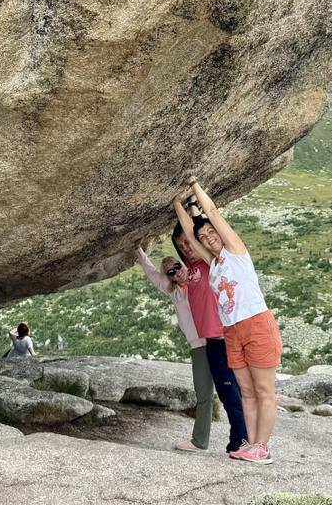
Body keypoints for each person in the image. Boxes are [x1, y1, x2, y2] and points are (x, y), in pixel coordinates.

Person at [180, 176, 283, 465]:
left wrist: (194, 186)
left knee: (264, 391)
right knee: (247, 393)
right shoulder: (213, 265)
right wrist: (177, 204)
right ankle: (250, 445)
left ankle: (262, 447)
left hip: (256, 324)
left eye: (212, 233)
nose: (209, 238)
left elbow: (211, 213)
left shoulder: (236, 252)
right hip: (231, 331)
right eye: (205, 238)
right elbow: (190, 234)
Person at [168, 191, 249, 456]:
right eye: (182, 245)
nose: (187, 247)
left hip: (222, 337)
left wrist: (187, 206)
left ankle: (242, 441)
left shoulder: (207, 261)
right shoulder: (188, 270)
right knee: (227, 394)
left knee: (230, 393)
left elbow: (197, 233)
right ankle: (239, 440)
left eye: (188, 242)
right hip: (210, 341)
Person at [136, 244, 216, 452]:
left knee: (235, 390)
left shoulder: (200, 278)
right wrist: (138, 250)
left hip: (217, 340)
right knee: (204, 395)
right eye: (170, 272)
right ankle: (200, 441)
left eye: (177, 266)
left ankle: (248, 440)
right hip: (199, 347)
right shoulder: (176, 293)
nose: (175, 272)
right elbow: (153, 274)